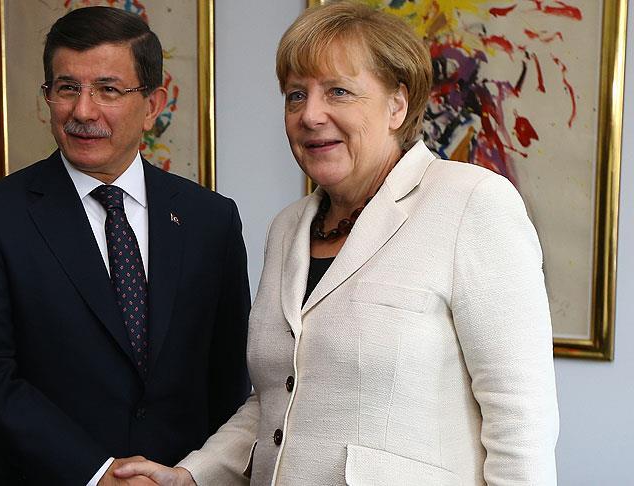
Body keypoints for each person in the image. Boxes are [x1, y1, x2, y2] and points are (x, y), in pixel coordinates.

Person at [114, 2, 559, 485]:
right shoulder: (288, 228)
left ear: (397, 105)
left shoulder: (471, 202)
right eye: (295, 96)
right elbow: (277, 401)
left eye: (338, 92)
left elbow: (520, 418)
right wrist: (191, 475)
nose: (310, 115)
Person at [0, 7, 251, 485]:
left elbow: (229, 380)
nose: (83, 111)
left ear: (152, 105)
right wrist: (98, 474)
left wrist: (194, 474)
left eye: (108, 89)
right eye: (67, 88)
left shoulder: (211, 219)